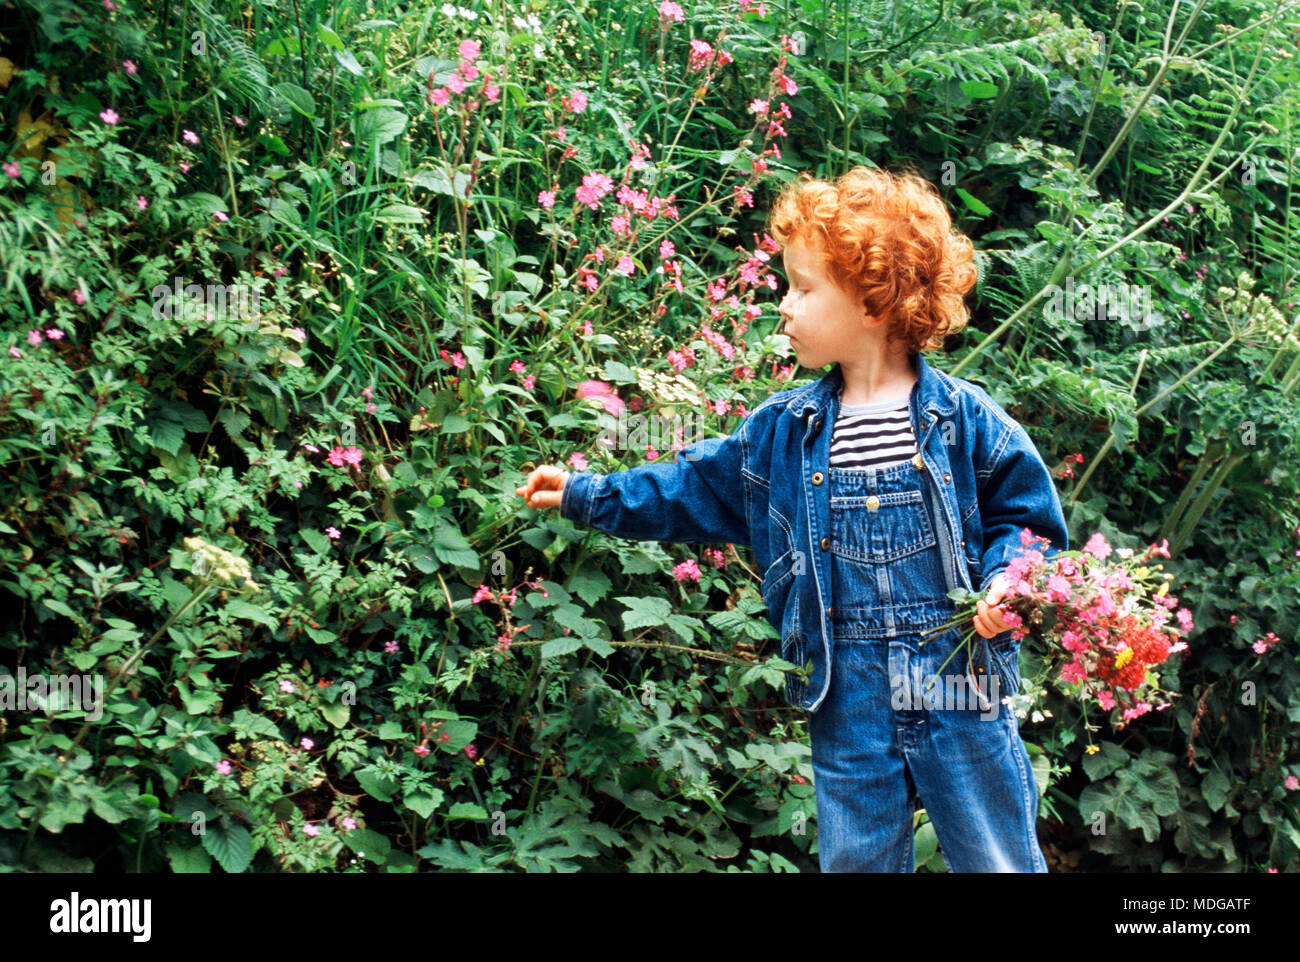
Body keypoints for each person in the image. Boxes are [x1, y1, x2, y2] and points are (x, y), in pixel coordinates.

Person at [515, 165, 1069, 872]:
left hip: (960, 677)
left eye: (803, 288)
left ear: (874, 300)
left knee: (997, 856)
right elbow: (690, 485)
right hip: (846, 688)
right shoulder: (785, 432)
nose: (783, 304)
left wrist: (1005, 586)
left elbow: (1028, 526)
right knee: (856, 861)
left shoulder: (963, 421)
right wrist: (587, 493)